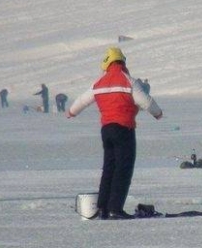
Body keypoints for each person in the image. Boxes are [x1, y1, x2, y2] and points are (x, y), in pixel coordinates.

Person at [66, 47, 163, 220]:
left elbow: (82, 100)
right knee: (123, 169)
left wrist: (72, 111)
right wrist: (157, 113)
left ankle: (102, 208)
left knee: (109, 168)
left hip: (106, 130)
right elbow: (146, 101)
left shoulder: (100, 82)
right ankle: (115, 208)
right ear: (122, 62)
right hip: (124, 129)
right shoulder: (128, 81)